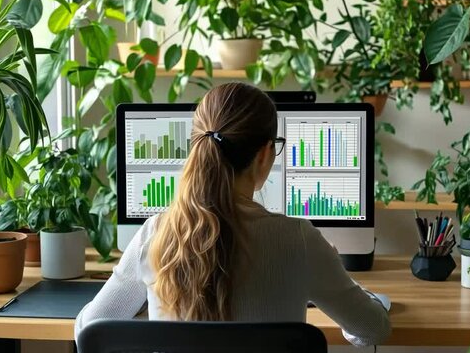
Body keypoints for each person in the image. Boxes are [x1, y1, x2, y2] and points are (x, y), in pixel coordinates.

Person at [75, 82, 391, 346]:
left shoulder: (155, 233)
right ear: (266, 154)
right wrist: (334, 278)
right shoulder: (298, 240)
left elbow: (88, 330)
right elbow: (373, 328)